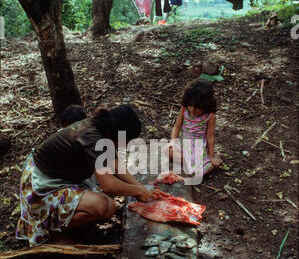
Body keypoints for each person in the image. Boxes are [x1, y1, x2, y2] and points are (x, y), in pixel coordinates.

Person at [16, 105, 156, 247]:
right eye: (126, 141)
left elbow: (115, 164)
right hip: (42, 184)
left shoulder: (101, 128)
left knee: (108, 198)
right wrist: (138, 191)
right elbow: (109, 185)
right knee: (105, 206)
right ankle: (51, 232)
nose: (125, 145)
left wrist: (140, 187)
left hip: (61, 175)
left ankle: (65, 219)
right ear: (116, 133)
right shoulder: (91, 137)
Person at [167, 79, 222, 177]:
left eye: (197, 107)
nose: (192, 109)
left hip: (197, 147)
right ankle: (188, 163)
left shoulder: (210, 116)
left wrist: (211, 155)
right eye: (190, 105)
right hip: (183, 143)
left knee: (203, 169)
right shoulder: (184, 110)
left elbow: (210, 137)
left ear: (206, 104)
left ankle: (205, 163)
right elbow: (177, 126)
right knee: (167, 151)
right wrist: (172, 141)